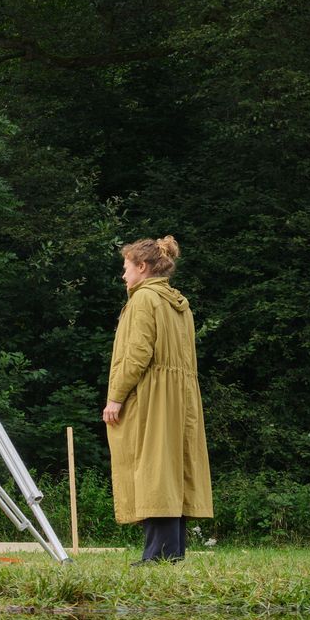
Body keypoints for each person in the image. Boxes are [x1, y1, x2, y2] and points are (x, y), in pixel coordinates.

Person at [103, 236, 212, 563]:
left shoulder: (144, 301)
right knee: (171, 469)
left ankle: (158, 555)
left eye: (126, 268)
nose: (123, 276)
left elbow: (136, 354)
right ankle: (172, 552)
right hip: (181, 397)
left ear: (142, 266)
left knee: (153, 469)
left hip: (153, 395)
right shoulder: (180, 303)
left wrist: (115, 398)